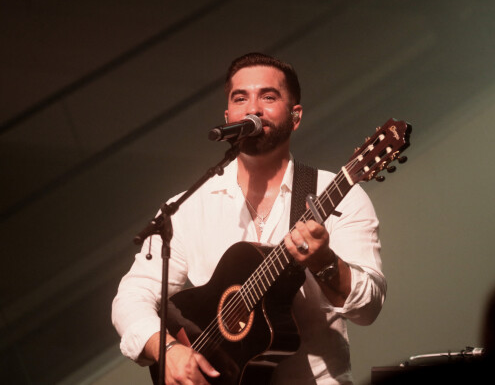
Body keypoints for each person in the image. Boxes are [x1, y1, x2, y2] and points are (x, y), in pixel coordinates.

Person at [112, 52, 386, 385]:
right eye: (240, 98)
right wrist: (166, 348)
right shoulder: (187, 207)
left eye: (268, 97)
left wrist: (325, 261)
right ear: (229, 117)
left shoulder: (338, 193)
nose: (253, 109)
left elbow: (368, 308)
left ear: (295, 116)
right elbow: (131, 296)